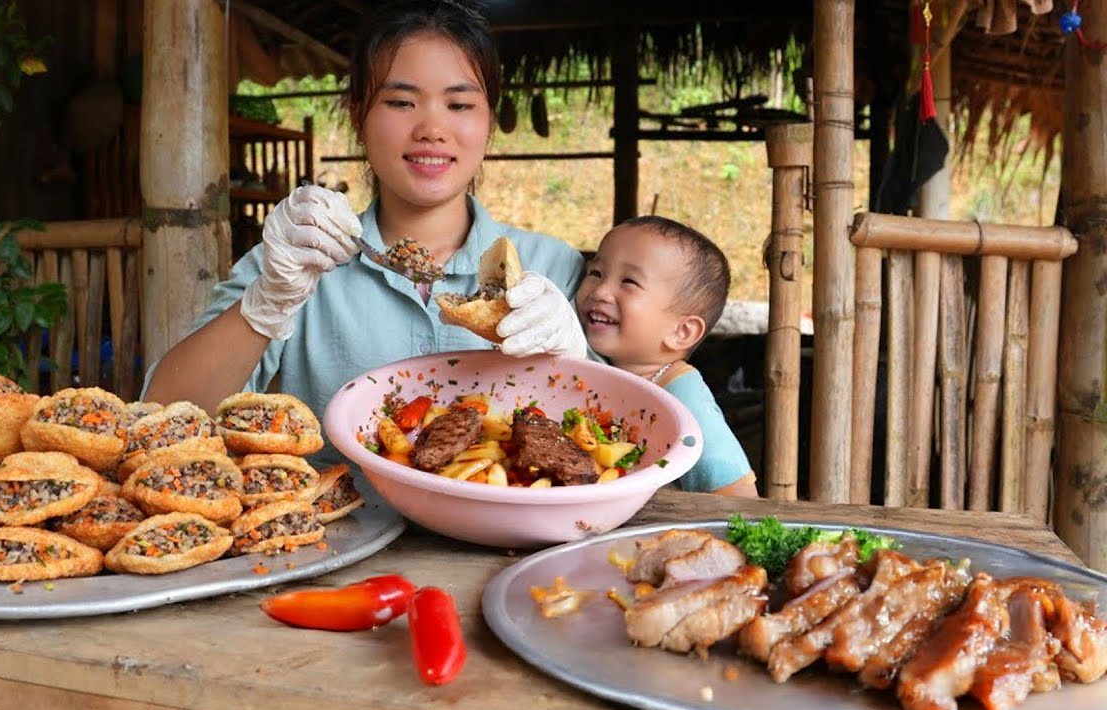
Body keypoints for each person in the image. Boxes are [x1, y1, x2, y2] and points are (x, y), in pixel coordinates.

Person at [143, 0, 587, 465]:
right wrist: (266, 303)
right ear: (358, 115)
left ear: (489, 121)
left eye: (459, 104)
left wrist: (573, 356)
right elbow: (161, 418)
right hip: (340, 514)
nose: (432, 129)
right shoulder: (295, 263)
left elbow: (619, 438)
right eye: (400, 102)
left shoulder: (553, 269)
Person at [576, 216, 759, 498]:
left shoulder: (682, 396)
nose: (600, 291)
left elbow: (738, 495)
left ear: (681, 332)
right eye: (596, 273)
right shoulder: (593, 367)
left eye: (629, 282)